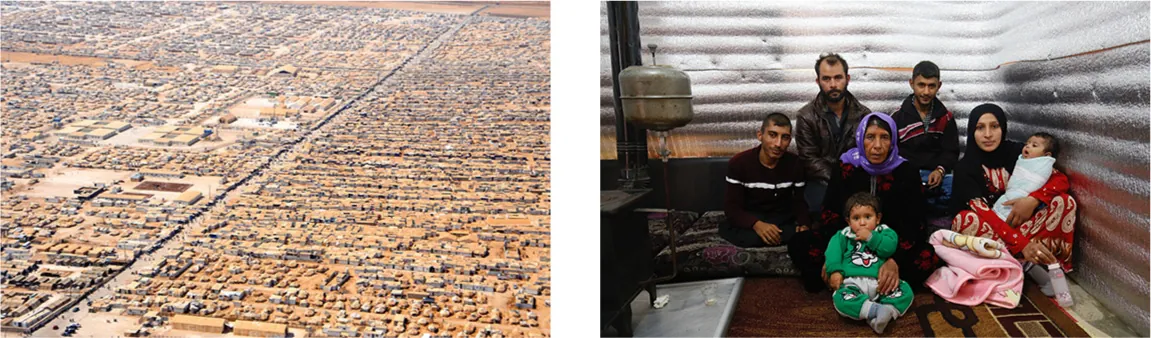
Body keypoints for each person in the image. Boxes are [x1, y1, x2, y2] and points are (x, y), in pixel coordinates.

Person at [789, 112, 939, 293]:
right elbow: (830, 214)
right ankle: (870, 281)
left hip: (887, 244)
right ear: (860, 139)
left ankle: (862, 280)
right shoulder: (846, 167)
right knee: (799, 243)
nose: (877, 146)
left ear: (893, 141)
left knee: (927, 256)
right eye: (870, 137)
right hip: (849, 242)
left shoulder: (906, 171)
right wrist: (834, 258)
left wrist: (894, 260)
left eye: (884, 137)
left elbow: (915, 223)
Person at [950, 103, 1078, 297]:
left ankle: (1035, 262)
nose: (988, 134)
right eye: (980, 127)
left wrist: (1033, 200)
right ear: (971, 131)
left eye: (994, 126)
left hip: (1022, 224)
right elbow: (982, 213)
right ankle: (1024, 263)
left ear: (1003, 127)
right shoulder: (965, 168)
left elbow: (1059, 179)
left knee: (1064, 202)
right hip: (990, 231)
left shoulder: (1020, 153)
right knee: (966, 219)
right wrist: (1022, 244)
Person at [826, 192, 913, 334]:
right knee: (840, 297)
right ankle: (873, 311)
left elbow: (889, 248)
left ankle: (888, 310)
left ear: (878, 218)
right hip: (852, 282)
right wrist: (835, 271)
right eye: (856, 218)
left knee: (905, 290)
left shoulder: (884, 231)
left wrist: (871, 238)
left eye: (868, 217)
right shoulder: (843, 235)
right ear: (848, 222)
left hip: (881, 283)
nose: (862, 223)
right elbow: (833, 253)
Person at [796, 53, 872, 213]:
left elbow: (868, 153)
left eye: (838, 78)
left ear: (847, 79)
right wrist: (837, 178)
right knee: (821, 209)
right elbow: (809, 159)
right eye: (826, 79)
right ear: (818, 81)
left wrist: (852, 178)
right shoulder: (806, 116)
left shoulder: (864, 115)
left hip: (856, 179)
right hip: (821, 180)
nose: (833, 84)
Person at [721, 113, 811, 247]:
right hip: (751, 217)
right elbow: (732, 207)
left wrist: (804, 224)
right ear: (760, 135)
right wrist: (757, 225)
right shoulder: (739, 163)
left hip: (781, 218)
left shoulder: (795, 164)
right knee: (743, 235)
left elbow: (799, 201)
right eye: (773, 135)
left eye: (785, 137)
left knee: (805, 235)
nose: (778, 144)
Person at [889, 61, 959, 216]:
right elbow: (892, 153)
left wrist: (940, 171)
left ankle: (924, 207)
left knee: (956, 185)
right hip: (908, 176)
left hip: (937, 177)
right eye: (921, 85)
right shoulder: (897, 118)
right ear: (911, 84)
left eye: (931, 86)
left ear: (939, 86)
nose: (926, 91)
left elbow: (951, 151)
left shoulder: (945, 118)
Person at [991, 132, 1060, 221]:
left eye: (1034, 145)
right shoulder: (1020, 160)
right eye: (1027, 144)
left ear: (1046, 156)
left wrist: (1034, 200)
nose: (1027, 146)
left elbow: (1061, 182)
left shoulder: (1045, 168)